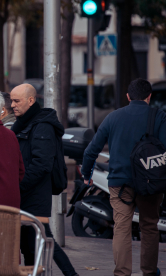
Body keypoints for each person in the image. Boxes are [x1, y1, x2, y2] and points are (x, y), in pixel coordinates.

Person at [82, 78, 166, 276]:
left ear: (127, 97)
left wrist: (87, 174)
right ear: (149, 96)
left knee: (121, 227)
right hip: (150, 183)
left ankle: (122, 273)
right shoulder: (159, 116)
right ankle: (148, 271)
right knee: (149, 226)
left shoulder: (113, 117)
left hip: (120, 183)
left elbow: (91, 150)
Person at [10, 84, 78, 276]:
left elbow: (42, 165)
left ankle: (72, 274)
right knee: (28, 245)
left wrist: (19, 186)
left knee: (44, 239)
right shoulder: (23, 122)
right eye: (11, 101)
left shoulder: (42, 126)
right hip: (25, 194)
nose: (12, 105)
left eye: (17, 101)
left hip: (35, 195)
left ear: (31, 101)